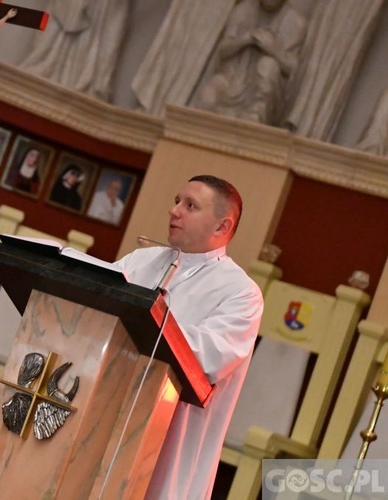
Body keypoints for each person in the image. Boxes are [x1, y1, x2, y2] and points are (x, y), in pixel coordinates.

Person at [114, 175, 264, 499]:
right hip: (107, 414)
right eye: (176, 200)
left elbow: (206, 357)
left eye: (190, 206)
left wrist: (145, 315)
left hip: (172, 438)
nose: (174, 211)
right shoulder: (140, 261)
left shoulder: (241, 293)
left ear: (222, 227)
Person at [196, 0, 307, 126]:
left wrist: (273, 49)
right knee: (207, 96)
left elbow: (293, 68)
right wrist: (245, 39)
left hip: (263, 95)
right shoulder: (244, 9)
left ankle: (253, 115)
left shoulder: (295, 21)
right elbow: (223, 50)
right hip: (232, 81)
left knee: (268, 65)